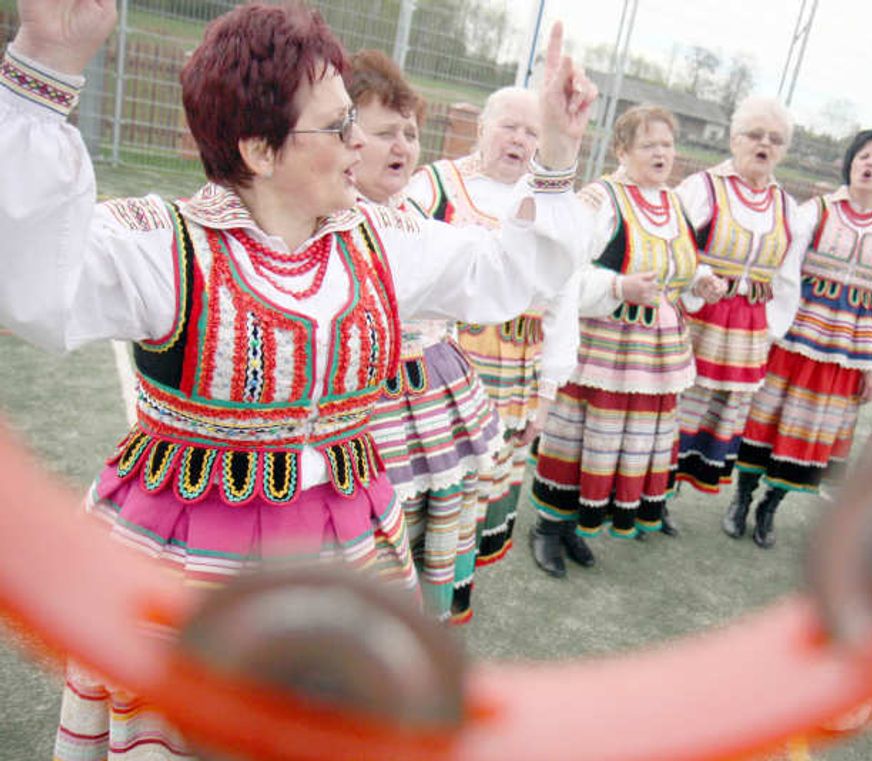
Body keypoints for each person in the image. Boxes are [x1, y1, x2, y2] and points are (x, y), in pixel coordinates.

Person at [0, 1, 595, 757]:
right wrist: (46, 63)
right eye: (339, 126)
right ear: (259, 150)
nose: (361, 142)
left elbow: (505, 274)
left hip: (350, 548)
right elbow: (29, 280)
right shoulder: (164, 247)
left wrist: (558, 153)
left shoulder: (378, 239)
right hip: (191, 556)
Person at [529, 104, 727, 578]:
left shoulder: (674, 202)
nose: (661, 153)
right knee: (578, 436)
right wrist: (617, 287)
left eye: (667, 144)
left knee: (617, 444)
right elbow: (563, 273)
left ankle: (576, 524)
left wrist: (699, 280)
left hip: (655, 354)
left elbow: (674, 266)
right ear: (621, 150)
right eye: (648, 144)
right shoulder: (600, 199)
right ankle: (548, 527)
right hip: (604, 347)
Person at [349, 49, 504, 625]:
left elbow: (502, 277)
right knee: (371, 548)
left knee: (431, 530)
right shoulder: (327, 219)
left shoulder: (415, 217)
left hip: (435, 400)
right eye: (385, 132)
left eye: (410, 133)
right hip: (369, 412)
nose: (403, 146)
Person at [406, 86, 581, 567]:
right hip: (438, 370)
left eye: (532, 132)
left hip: (514, 375)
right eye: (509, 126)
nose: (520, 139)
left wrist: (546, 395)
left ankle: (452, 586)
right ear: (483, 128)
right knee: (429, 484)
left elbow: (563, 301)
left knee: (477, 499)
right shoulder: (434, 186)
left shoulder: (550, 205)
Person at [731, 128, 872, 549]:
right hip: (798, 334)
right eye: (863, 156)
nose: (869, 164)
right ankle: (742, 498)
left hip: (848, 348)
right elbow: (785, 272)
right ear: (850, 162)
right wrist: (772, 331)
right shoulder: (816, 211)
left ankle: (770, 507)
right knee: (766, 418)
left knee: (811, 430)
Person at [673, 95, 805, 502]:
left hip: (746, 328)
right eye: (755, 135)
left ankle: (670, 495)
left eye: (775, 139)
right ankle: (650, 493)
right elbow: (673, 247)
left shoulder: (787, 206)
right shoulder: (702, 187)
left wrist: (771, 330)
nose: (764, 144)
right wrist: (695, 284)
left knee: (714, 413)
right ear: (734, 139)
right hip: (697, 317)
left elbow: (788, 278)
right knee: (678, 403)